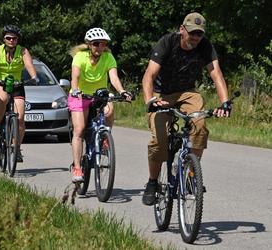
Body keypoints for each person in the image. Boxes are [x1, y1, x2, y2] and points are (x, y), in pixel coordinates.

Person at [141, 12, 231, 205]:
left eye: (199, 34)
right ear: (182, 29)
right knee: (159, 141)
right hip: (161, 94)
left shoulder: (205, 46)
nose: (196, 38)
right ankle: (152, 182)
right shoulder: (167, 43)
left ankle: (190, 173)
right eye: (192, 33)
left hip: (188, 93)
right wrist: (150, 100)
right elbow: (149, 75)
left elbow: (216, 75)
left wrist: (225, 102)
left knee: (200, 125)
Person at [68, 27, 132, 182]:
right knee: (79, 130)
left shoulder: (108, 57)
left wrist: (122, 91)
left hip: (99, 95)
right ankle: (77, 168)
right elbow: (75, 77)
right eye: (96, 44)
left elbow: (114, 78)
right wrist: (76, 90)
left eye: (103, 44)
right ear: (89, 44)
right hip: (80, 95)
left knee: (109, 111)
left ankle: (105, 137)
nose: (100, 47)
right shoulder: (80, 57)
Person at [0, 25, 38, 162]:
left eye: (14, 38)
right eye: (8, 38)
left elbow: (29, 65)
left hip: (17, 85)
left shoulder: (23, 51)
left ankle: (17, 147)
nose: (11, 40)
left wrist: (34, 76)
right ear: (4, 39)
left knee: (20, 118)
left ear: (17, 40)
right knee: (2, 99)